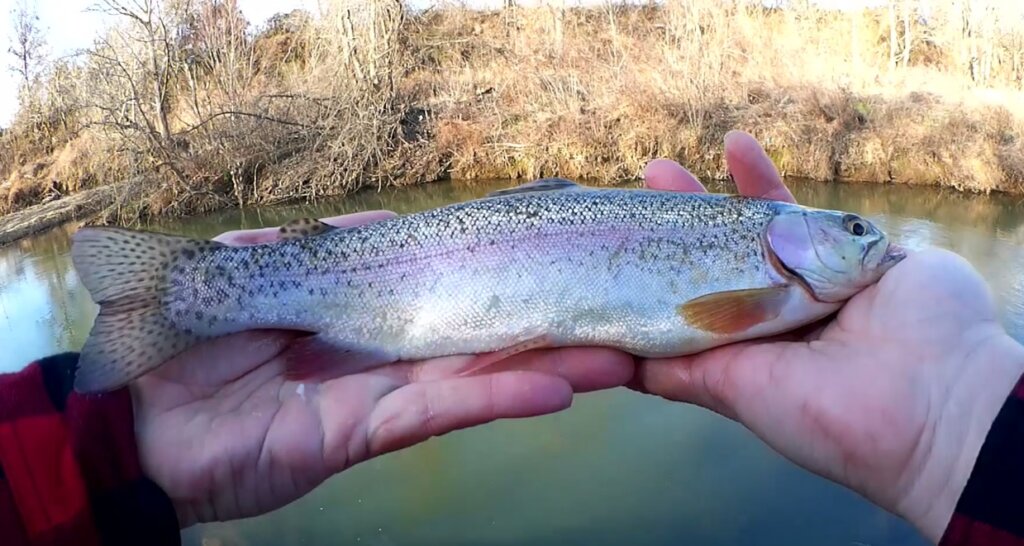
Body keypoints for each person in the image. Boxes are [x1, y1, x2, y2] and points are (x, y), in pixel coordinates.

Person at [0, 131, 1020, 546]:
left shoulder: (765, 267)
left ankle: (184, 291)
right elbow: (718, 317)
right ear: (791, 235)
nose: (870, 243)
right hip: (403, 298)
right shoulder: (758, 258)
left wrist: (962, 417)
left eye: (863, 233)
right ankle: (184, 286)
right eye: (853, 232)